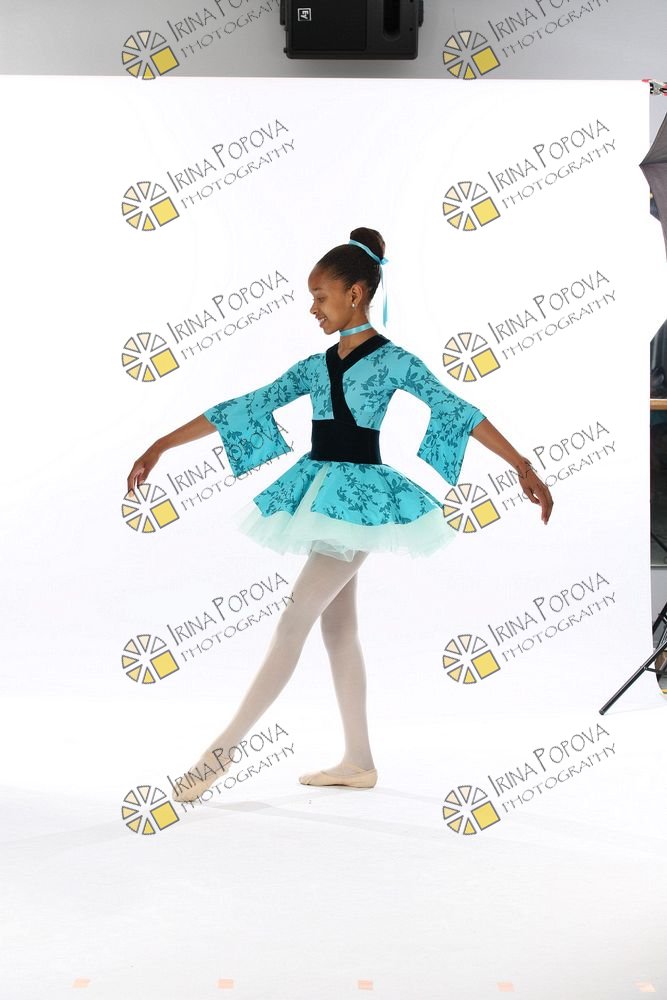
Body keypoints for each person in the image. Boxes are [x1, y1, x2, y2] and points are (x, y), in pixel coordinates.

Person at [126, 226, 553, 803]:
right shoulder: (316, 365)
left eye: (320, 296)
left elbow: (459, 410)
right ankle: (358, 761)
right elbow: (247, 405)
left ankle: (219, 755)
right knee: (338, 628)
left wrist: (521, 464)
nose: (313, 308)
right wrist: (162, 444)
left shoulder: (395, 361)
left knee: (292, 621)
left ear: (355, 294)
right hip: (322, 492)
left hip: (360, 501)